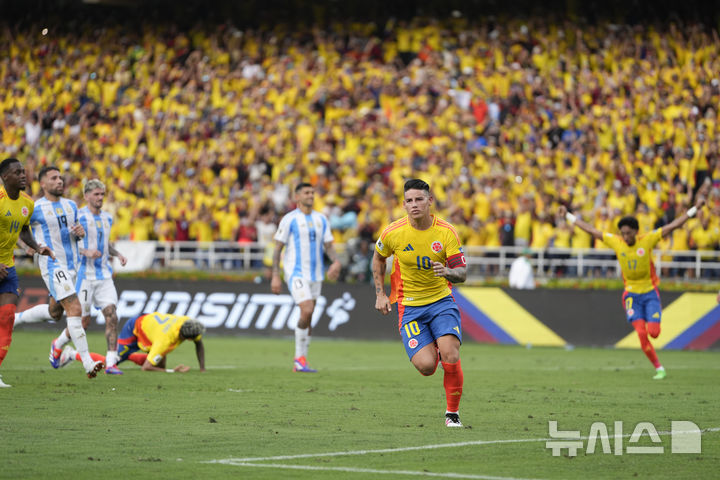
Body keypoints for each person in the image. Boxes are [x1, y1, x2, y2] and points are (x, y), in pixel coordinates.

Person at [559, 196, 705, 380]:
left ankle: (658, 359)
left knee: (654, 332)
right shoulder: (616, 242)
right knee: (642, 333)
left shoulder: (648, 240)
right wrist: (568, 216)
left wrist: (694, 209)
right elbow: (591, 230)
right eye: (623, 233)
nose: (625, 237)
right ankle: (659, 368)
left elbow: (674, 226)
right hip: (631, 296)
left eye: (628, 233)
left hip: (650, 293)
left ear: (635, 232)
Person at [372, 179, 468, 427]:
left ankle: (452, 414)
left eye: (419, 199)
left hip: (441, 302)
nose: (414, 205)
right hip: (410, 307)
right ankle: (434, 345)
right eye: (410, 201)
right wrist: (380, 294)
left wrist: (447, 272)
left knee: (450, 354)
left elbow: (462, 273)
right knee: (426, 366)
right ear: (403, 204)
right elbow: (378, 259)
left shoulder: (446, 232)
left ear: (430, 201)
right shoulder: (393, 232)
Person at [30, 165, 105, 378]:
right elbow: (17, 228)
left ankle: (17, 319)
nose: (59, 181)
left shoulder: (71, 206)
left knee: (55, 313)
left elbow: (75, 233)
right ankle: (88, 363)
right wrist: (29, 246)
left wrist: (79, 233)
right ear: (43, 184)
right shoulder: (35, 208)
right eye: (54, 178)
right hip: (53, 265)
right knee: (75, 309)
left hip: (74, 267)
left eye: (60, 178)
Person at [271, 182, 341, 373]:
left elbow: (328, 246)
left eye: (312, 192)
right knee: (307, 309)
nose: (311, 195)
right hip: (296, 272)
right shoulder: (289, 219)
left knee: (308, 317)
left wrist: (336, 262)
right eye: (306, 193)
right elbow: (277, 249)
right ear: (297, 197)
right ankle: (298, 359)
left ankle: (301, 361)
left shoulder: (321, 219)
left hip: (316, 274)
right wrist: (275, 276)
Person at [0, 158, 54, 387]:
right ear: (5, 177)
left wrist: (38, 247)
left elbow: (24, 232)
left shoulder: (27, 203)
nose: (23, 175)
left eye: (24, 171)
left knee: (7, 317)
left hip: (8, 269)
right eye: (17, 172)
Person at [74, 179, 127, 374]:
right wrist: (85, 251)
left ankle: (111, 362)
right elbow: (69, 244)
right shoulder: (78, 216)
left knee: (112, 315)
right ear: (86, 196)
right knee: (83, 323)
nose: (100, 198)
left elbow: (105, 244)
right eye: (96, 194)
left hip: (104, 275)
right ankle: (61, 347)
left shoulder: (107, 218)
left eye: (102, 194)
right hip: (85, 276)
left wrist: (117, 254)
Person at [59, 312, 206, 373]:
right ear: (187, 338)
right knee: (108, 364)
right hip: (134, 329)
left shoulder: (187, 323)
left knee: (160, 362)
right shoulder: (164, 341)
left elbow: (199, 343)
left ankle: (127, 355)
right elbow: (146, 368)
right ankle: (72, 354)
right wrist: (172, 372)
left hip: (150, 328)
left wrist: (202, 369)